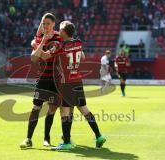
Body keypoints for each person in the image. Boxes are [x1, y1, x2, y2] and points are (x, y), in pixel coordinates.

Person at [33, 21, 106, 150]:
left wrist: (37, 45)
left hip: (66, 83)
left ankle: (66, 142)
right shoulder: (78, 43)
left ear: (65, 32)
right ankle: (99, 135)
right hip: (77, 80)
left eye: (60, 30)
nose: (59, 32)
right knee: (84, 109)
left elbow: (44, 56)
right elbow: (82, 57)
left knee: (64, 111)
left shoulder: (60, 45)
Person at [20, 13, 62, 148]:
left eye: (48, 23)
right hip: (42, 78)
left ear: (53, 24)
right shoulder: (40, 37)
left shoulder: (58, 38)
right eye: (43, 23)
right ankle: (28, 139)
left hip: (55, 79)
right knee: (35, 107)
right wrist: (41, 42)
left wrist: (36, 46)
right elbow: (33, 58)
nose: (45, 26)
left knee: (52, 109)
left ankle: (46, 138)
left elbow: (43, 57)